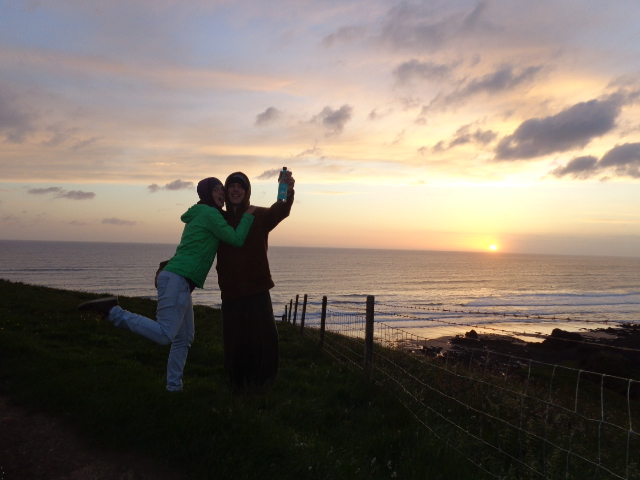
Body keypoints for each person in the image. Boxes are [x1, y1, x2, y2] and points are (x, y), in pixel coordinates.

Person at [77, 177, 256, 392]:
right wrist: (248, 215)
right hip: (178, 279)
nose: (222, 193)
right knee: (165, 335)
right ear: (207, 194)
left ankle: (173, 387)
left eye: (222, 189)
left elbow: (187, 248)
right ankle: (114, 312)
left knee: (184, 338)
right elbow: (236, 239)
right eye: (217, 189)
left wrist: (164, 268)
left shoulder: (201, 213)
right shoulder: (210, 214)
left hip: (178, 279)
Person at [216, 170, 295, 392]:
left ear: (247, 191)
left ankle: (265, 384)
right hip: (231, 290)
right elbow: (195, 245)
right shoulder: (218, 220)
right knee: (234, 341)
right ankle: (237, 382)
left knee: (264, 338)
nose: (236, 190)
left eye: (240, 186)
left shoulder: (258, 215)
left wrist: (287, 191)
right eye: (232, 186)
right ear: (226, 191)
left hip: (258, 288)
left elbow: (281, 210)